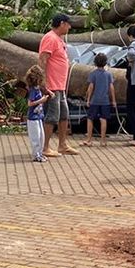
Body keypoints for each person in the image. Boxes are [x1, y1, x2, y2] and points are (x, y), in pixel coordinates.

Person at [37, 13, 78, 157]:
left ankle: (63, 145)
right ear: (62, 23)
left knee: (64, 115)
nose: (70, 27)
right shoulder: (50, 38)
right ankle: (45, 147)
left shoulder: (59, 40)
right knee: (52, 116)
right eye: (68, 24)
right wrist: (43, 83)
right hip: (52, 85)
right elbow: (42, 60)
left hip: (60, 86)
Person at [82, 52, 118, 146]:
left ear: (95, 63)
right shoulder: (108, 74)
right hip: (105, 100)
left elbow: (91, 87)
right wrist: (113, 100)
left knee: (90, 118)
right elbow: (111, 88)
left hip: (95, 100)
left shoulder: (93, 74)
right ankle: (103, 140)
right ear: (105, 63)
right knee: (103, 119)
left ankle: (89, 139)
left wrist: (88, 99)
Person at [23, 64, 49, 162]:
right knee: (36, 136)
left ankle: (40, 153)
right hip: (32, 117)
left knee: (41, 135)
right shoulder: (33, 90)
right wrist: (41, 101)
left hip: (39, 116)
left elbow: (45, 89)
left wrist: (48, 94)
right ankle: (35, 154)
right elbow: (30, 103)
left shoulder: (38, 88)